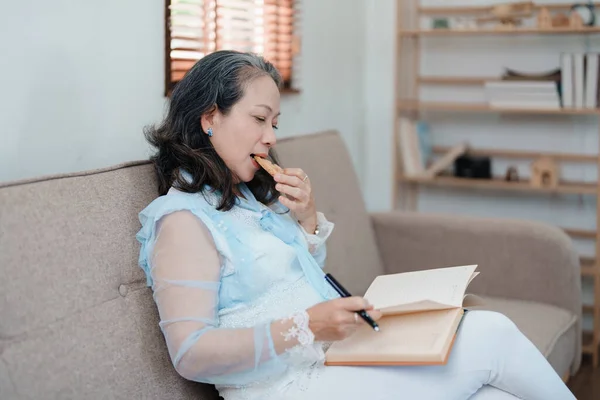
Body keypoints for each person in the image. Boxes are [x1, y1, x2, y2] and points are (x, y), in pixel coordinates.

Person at [136, 50, 576, 400]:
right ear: (209, 118)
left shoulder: (248, 199)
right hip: (287, 388)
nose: (271, 137)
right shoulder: (182, 221)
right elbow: (190, 354)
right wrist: (307, 326)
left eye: (275, 123)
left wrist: (306, 219)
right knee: (490, 331)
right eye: (259, 119)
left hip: (333, 358)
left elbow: (286, 280)